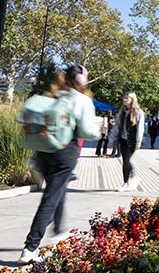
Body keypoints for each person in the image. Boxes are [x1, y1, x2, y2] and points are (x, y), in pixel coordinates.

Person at [18, 64, 101, 265]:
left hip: (43, 151)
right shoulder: (81, 100)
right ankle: (30, 247)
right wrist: (97, 129)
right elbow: (88, 132)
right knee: (51, 197)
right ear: (83, 81)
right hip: (64, 151)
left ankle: (58, 232)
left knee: (58, 191)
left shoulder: (53, 96)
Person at [109, 92, 145, 192]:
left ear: (132, 100)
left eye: (126, 98)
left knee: (128, 161)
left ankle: (133, 177)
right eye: (124, 98)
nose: (124, 99)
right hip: (122, 140)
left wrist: (138, 141)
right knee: (125, 161)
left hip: (132, 141)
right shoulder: (122, 111)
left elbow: (140, 128)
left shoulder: (138, 112)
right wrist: (112, 140)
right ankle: (125, 182)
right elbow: (117, 127)